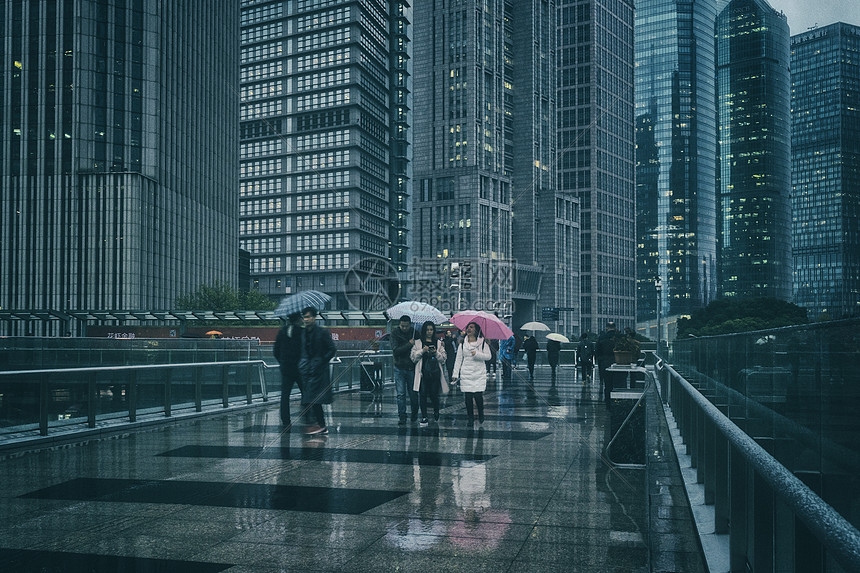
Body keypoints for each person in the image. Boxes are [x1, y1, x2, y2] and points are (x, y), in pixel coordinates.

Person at [298, 307, 337, 435]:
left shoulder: (322, 332)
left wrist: (321, 361)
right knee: (311, 400)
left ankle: (317, 425)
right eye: (304, 317)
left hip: (319, 371)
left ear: (315, 318)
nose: (306, 319)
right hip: (306, 371)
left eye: (309, 317)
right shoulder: (303, 333)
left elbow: (331, 349)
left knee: (311, 400)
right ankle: (320, 425)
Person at [451, 322, 491, 425]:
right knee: (468, 397)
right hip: (466, 373)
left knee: (478, 396)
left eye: (472, 327)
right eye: (468, 327)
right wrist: (455, 374)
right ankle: (470, 417)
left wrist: (477, 354)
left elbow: (488, 356)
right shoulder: (462, 343)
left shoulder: (483, 343)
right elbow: (458, 359)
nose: (469, 329)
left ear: (476, 330)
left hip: (479, 373)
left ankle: (481, 413)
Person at [410, 321, 448, 426]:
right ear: (424, 331)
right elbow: (413, 358)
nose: (429, 332)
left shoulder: (438, 343)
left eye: (431, 330)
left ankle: (436, 411)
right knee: (422, 395)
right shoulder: (418, 342)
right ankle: (424, 416)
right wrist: (422, 351)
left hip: (435, 374)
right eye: (427, 330)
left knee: (434, 395)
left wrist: (436, 352)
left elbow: (443, 359)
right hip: (422, 373)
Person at [273, 312, 304, 428]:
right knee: (305, 393)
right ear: (298, 319)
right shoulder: (302, 332)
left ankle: (286, 420)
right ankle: (306, 415)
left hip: (286, 369)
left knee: (285, 395)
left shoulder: (282, 331)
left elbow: (276, 351)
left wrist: (282, 362)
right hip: (300, 369)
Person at [391, 315, 419, 425]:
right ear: (399, 324)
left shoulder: (415, 333)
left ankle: (414, 413)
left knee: (413, 393)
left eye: (406, 326)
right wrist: (409, 344)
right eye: (402, 326)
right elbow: (396, 350)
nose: (404, 328)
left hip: (412, 367)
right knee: (401, 394)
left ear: (410, 324)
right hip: (399, 367)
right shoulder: (395, 333)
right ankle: (402, 415)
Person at [595, 322, 621, 408]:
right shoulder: (620, 337)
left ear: (607, 328)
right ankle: (618, 403)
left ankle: (608, 404)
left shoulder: (601, 338)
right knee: (618, 384)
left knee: (607, 385)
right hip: (619, 363)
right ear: (615, 327)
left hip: (605, 363)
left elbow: (597, 352)